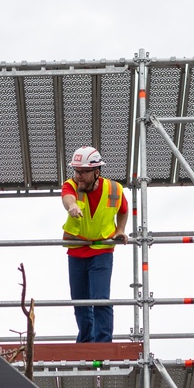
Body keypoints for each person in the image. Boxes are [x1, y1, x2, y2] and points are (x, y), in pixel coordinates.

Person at [61, 147, 128, 343]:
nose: (78, 176)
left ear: (97, 172)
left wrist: (120, 230)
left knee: (101, 299)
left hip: (101, 251)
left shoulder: (114, 189)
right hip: (76, 250)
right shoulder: (71, 185)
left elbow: (123, 210)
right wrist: (72, 206)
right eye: (76, 171)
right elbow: (67, 198)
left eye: (83, 172)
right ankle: (85, 342)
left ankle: (103, 343)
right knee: (80, 303)